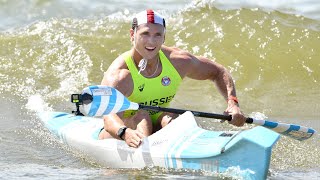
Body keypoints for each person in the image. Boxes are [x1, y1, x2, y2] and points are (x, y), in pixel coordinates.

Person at [98, 9, 246, 148]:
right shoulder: (120, 75)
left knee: (173, 117)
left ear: (164, 37)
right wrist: (125, 133)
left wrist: (233, 103)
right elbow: (108, 117)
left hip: (158, 123)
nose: (152, 41)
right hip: (121, 131)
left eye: (158, 35)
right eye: (145, 34)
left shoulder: (179, 61)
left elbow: (218, 71)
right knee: (142, 116)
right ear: (132, 34)